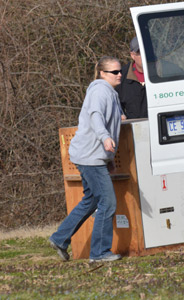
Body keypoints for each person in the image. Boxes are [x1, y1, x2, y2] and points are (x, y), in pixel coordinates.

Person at [49, 56, 124, 263]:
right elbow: (95, 115)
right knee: (107, 203)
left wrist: (108, 157)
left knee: (91, 201)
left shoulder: (110, 92)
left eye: (120, 71)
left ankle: (59, 238)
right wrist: (105, 138)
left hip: (92, 155)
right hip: (90, 157)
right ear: (102, 73)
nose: (119, 75)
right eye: (114, 72)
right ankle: (99, 253)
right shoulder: (101, 90)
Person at [115, 37, 148, 119]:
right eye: (140, 52)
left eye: (148, 51)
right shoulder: (120, 77)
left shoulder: (166, 72)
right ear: (132, 55)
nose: (145, 56)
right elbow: (117, 109)